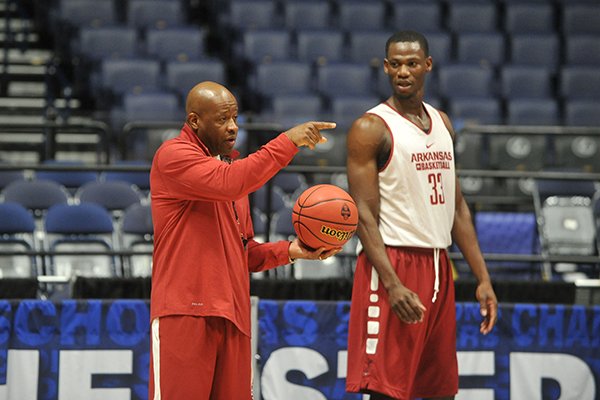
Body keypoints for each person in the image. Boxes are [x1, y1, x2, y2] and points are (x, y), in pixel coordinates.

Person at [148, 81, 339, 399]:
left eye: (235, 118)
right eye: (222, 119)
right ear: (195, 121)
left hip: (233, 315)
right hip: (184, 312)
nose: (233, 127)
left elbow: (243, 253)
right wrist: (286, 142)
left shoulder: (231, 174)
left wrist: (292, 250)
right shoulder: (173, 156)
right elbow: (231, 183)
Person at [345, 31, 498, 400]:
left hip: (438, 265)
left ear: (427, 65)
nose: (403, 71)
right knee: (385, 390)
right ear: (385, 68)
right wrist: (392, 283)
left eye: (412, 63)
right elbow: (363, 214)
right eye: (395, 64)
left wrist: (483, 278)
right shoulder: (371, 128)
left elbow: (457, 206)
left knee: (438, 390)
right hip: (392, 262)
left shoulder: (443, 124)